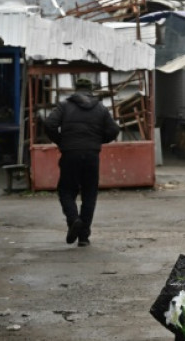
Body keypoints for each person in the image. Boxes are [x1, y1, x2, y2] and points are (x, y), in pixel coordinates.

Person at [43, 77, 120, 247]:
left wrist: (61, 141)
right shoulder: (100, 108)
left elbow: (49, 124)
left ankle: (74, 220)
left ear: (76, 90)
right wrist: (98, 141)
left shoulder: (65, 106)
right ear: (91, 90)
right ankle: (83, 237)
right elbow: (114, 129)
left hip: (70, 154)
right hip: (92, 155)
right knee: (89, 194)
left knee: (66, 190)